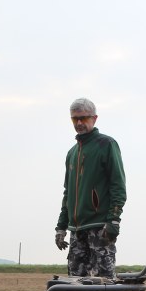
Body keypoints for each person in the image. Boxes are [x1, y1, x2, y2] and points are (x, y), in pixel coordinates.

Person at [55, 98, 126, 279]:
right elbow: (68, 193)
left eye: (83, 118)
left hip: (100, 227)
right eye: (75, 119)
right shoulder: (72, 153)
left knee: (103, 282)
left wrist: (114, 220)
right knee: (75, 285)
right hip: (76, 230)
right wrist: (61, 227)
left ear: (94, 118)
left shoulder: (107, 145)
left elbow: (118, 185)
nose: (79, 123)